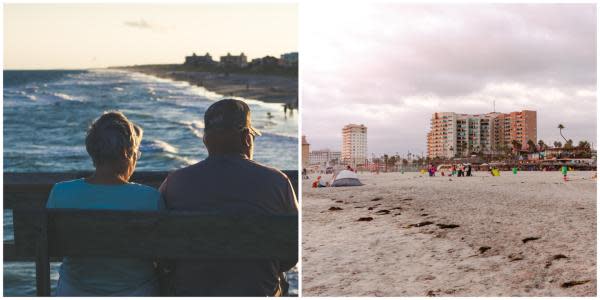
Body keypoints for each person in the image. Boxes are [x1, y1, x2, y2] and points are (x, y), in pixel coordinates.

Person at [159, 99, 298, 296]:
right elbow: (291, 254)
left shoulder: (174, 183)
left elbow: (163, 252)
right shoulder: (278, 182)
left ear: (206, 139)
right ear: (246, 138)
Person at [46, 112, 161, 296]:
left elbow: (52, 246)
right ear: (128, 154)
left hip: (74, 290)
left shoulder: (61, 192)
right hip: (136, 291)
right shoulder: (149, 198)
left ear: (92, 151)